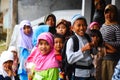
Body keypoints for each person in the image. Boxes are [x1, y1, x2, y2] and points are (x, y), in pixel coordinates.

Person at [66, 14, 95, 80]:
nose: (82, 28)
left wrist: (95, 45)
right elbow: (70, 59)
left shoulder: (88, 38)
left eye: (84, 25)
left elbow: (93, 53)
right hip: (79, 75)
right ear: (72, 28)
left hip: (90, 73)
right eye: (78, 25)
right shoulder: (72, 40)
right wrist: (83, 49)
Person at [100, 4, 120, 80]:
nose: (109, 15)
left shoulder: (117, 27)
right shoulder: (103, 25)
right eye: (106, 12)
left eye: (111, 12)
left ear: (115, 13)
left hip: (112, 59)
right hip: (102, 58)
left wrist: (106, 43)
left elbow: (119, 43)